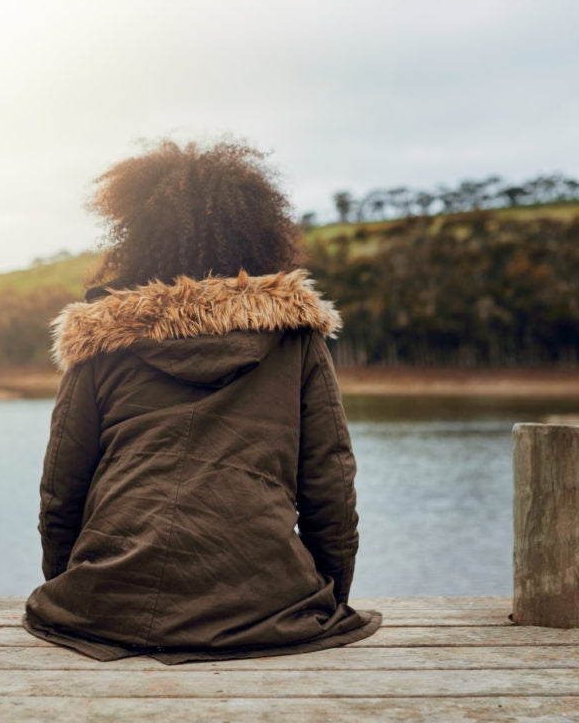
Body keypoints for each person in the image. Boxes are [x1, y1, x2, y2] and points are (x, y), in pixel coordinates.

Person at [23, 139, 380, 663]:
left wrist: (77, 592)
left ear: (135, 234)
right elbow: (329, 482)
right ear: (258, 236)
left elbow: (62, 486)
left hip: (103, 603)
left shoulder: (101, 340)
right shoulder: (294, 338)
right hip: (266, 605)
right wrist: (328, 598)